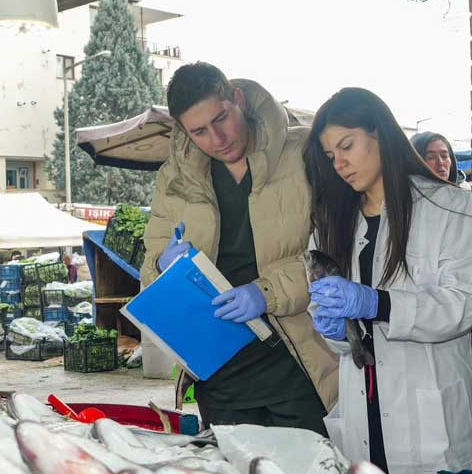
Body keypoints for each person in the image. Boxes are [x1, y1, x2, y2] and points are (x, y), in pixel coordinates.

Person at [305, 87, 472, 474]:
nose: (339, 163)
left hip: (429, 422)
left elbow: (463, 304)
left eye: (347, 146)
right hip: (363, 413)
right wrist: (335, 330)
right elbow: (334, 326)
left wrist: (379, 303)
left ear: (380, 134)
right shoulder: (331, 222)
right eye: (330, 155)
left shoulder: (448, 206)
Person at [141, 62, 337, 432]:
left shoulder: (304, 153)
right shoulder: (174, 177)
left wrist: (267, 293)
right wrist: (162, 268)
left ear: (238, 99)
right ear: (183, 130)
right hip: (220, 375)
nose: (217, 139)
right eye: (199, 131)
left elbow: (337, 255)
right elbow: (149, 269)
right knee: (237, 470)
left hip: (298, 365)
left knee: (312, 467)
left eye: (221, 118)